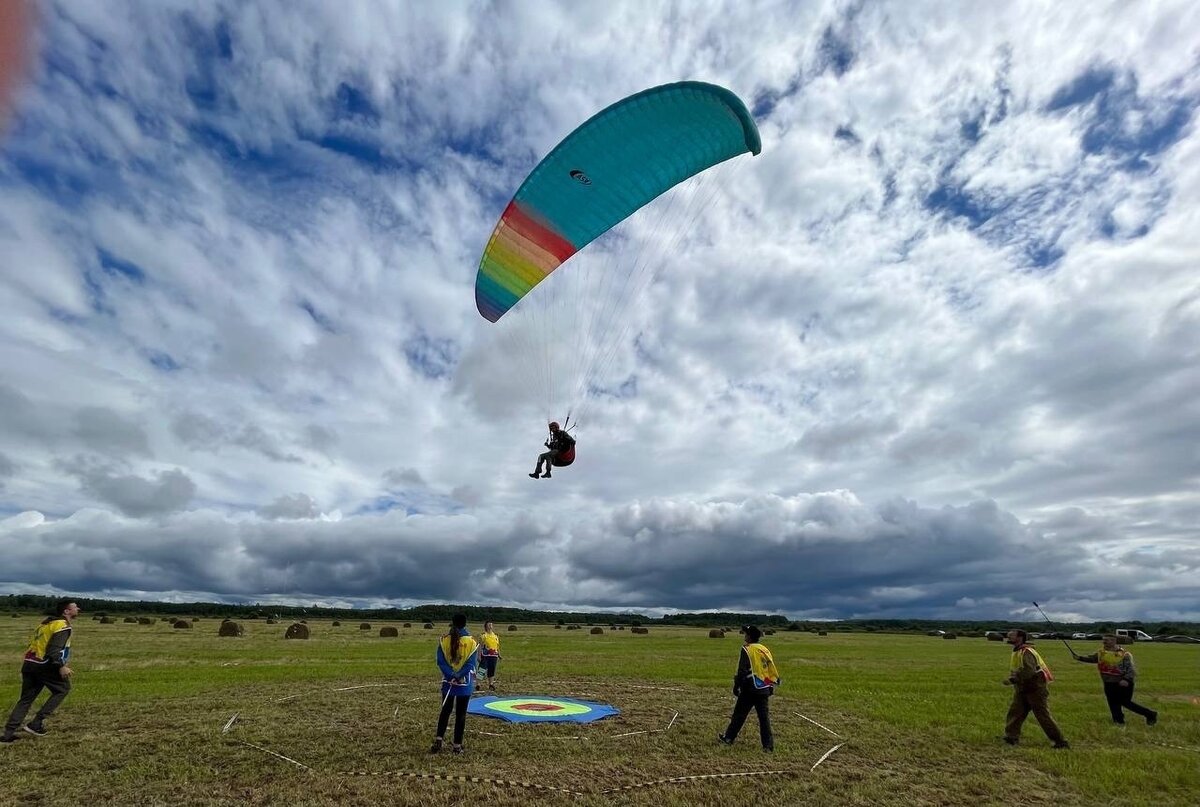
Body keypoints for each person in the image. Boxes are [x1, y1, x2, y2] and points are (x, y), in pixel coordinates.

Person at [2, 598, 80, 743]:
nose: (78, 609)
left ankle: (7, 734)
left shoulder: (45, 624)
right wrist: (61, 666)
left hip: (29, 663)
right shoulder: (62, 626)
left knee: (26, 699)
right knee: (63, 689)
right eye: (75, 607)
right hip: (46, 665)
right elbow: (53, 650)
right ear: (66, 611)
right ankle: (36, 723)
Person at [1002, 628, 1069, 748]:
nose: (1008, 637)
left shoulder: (1026, 652)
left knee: (1042, 715)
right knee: (1015, 712)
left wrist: (1013, 680)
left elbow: (1029, 671)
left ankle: (1060, 741)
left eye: (1011, 636)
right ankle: (1011, 737)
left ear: (1020, 638)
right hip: (1023, 688)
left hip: (1035, 688)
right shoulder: (1018, 651)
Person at [718, 625, 779, 752]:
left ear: (749, 636)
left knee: (739, 714)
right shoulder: (764, 649)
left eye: (746, 634)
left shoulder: (747, 649)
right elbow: (769, 668)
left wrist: (736, 686)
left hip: (749, 688)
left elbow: (742, 670)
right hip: (763, 687)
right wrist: (771, 685)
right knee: (764, 718)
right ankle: (768, 746)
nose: (744, 635)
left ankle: (729, 738)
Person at [1073, 635, 1158, 726]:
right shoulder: (1101, 653)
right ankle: (1118, 721)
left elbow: (1131, 670)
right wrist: (1080, 658)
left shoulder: (1124, 654)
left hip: (1123, 683)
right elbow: (1093, 659)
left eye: (1107, 640)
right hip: (1108, 682)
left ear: (1114, 641)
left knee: (1125, 702)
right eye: (1104, 640)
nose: (1104, 642)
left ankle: (1150, 714)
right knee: (1112, 703)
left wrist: (1126, 679)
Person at [431, 613, 478, 755]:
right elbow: (471, 664)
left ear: (452, 623)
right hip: (464, 684)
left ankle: (439, 740)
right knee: (461, 714)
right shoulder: (472, 642)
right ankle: (457, 746)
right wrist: (459, 676)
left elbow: (440, 661)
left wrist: (450, 675)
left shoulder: (443, 640)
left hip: (448, 682)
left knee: (445, 711)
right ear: (465, 624)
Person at [478, 621, 501, 692]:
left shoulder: (495, 636)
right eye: (489, 624)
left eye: (491, 624)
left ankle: (491, 684)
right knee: (482, 669)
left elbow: (497, 646)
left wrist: (499, 655)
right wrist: (478, 656)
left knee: (492, 669)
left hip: (494, 655)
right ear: (486, 626)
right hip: (485, 655)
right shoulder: (483, 635)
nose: (491, 625)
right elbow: (480, 646)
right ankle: (478, 684)